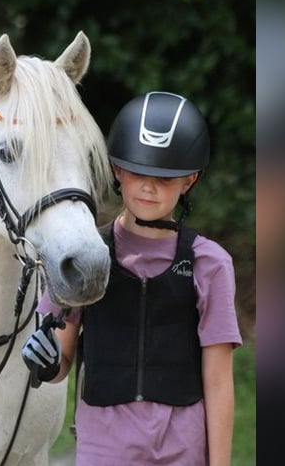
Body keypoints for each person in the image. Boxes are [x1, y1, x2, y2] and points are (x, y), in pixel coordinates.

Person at [22, 91, 243, 466]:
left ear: (189, 181)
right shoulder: (88, 258)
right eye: (139, 172)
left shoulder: (210, 264)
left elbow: (219, 384)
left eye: (165, 177)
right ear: (117, 170)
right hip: (103, 451)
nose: (149, 187)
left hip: (182, 452)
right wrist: (46, 361)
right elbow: (61, 363)